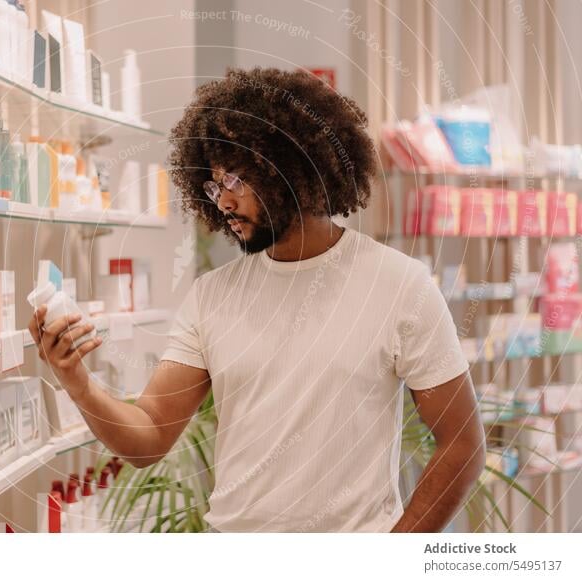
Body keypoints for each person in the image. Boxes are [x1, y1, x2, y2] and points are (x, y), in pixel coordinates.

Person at [28, 67, 485, 533]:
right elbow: (147, 439)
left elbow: (462, 442)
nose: (222, 202)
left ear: (288, 166)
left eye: (234, 182)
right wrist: (78, 383)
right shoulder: (213, 296)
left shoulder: (398, 285)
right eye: (212, 187)